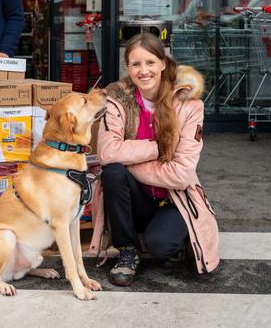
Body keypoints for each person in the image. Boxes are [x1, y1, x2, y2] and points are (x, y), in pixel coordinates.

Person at [89, 33, 219, 286]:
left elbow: (181, 174)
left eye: (150, 62)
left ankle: (175, 238)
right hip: (137, 198)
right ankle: (127, 251)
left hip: (174, 199)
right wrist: (157, 149)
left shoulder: (189, 105)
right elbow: (107, 154)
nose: (143, 71)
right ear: (128, 68)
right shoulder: (116, 100)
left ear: (163, 63)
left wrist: (132, 162)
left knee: (161, 247)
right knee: (114, 172)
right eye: (136, 64)